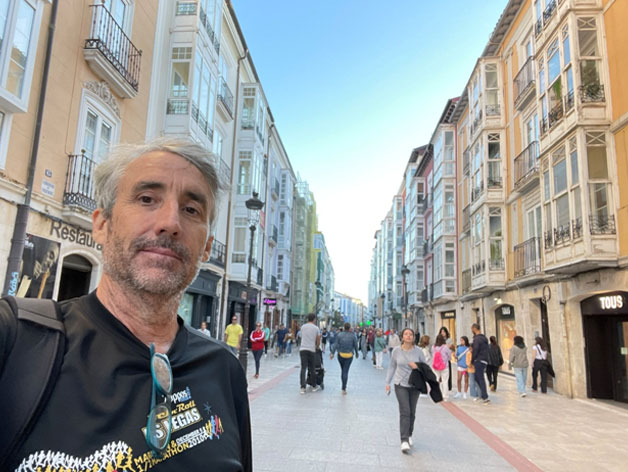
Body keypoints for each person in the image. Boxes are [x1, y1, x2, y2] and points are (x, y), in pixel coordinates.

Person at [0, 139, 251, 470]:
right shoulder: (16, 339)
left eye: (191, 210)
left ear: (205, 248)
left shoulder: (224, 369)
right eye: (147, 199)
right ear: (102, 224)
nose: (171, 223)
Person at [385, 327, 426, 454]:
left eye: (411, 334)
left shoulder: (419, 352)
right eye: (406, 334)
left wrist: (417, 366)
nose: (408, 336)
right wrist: (387, 382)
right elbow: (392, 366)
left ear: (413, 337)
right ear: (402, 337)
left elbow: (425, 368)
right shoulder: (396, 351)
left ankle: (409, 434)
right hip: (400, 384)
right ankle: (404, 440)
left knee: (412, 412)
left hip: (414, 385)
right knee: (405, 411)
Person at [329, 322, 359, 394]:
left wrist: (332, 353)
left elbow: (335, 344)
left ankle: (343, 385)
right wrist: (357, 353)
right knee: (345, 371)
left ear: (344, 327)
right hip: (349, 355)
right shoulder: (353, 336)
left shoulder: (339, 335)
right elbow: (355, 345)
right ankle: (344, 388)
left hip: (341, 354)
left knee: (343, 370)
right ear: (349, 328)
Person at [299, 313, 321, 394]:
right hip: (311, 349)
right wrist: (317, 346)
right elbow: (318, 339)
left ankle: (302, 387)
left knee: (303, 368)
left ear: (307, 318)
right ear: (314, 319)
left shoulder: (303, 327)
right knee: (312, 368)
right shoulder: (316, 328)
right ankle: (313, 386)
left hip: (303, 349)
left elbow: (301, 336)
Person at [471, 323, 490, 404]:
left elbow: (475, 350)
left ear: (475, 329)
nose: (471, 330)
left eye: (472, 329)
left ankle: (485, 396)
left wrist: (472, 360)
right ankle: (482, 394)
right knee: (477, 378)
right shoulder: (484, 338)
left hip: (478, 360)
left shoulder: (477, 339)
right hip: (484, 359)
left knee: (480, 378)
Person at [431, 334, 452, 400]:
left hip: (435, 366)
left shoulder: (433, 347)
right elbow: (449, 356)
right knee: (445, 381)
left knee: (436, 380)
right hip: (444, 366)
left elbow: (433, 355)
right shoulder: (445, 347)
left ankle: (437, 394)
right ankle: (445, 396)